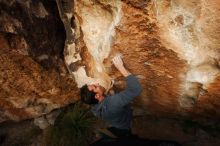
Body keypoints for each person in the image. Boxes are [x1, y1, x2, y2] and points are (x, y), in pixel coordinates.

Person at [80, 55, 142, 139]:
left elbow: (108, 103)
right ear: (97, 96)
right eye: (96, 87)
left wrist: (110, 93)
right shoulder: (113, 102)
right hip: (126, 125)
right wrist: (121, 67)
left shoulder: (94, 109)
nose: (98, 84)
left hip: (117, 122)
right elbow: (136, 89)